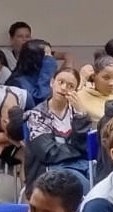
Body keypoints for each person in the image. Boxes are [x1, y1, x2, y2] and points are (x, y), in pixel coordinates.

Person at [17, 66, 92, 195]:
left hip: (79, 165)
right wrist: (76, 149)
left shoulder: (77, 113)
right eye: (60, 82)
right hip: (47, 171)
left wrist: (80, 116)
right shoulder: (37, 115)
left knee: (102, 177)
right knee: (82, 184)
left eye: (70, 86)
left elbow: (86, 148)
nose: (63, 88)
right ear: (52, 83)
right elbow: (49, 153)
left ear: (76, 90)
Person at [73, 56, 113, 122]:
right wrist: (82, 79)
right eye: (106, 78)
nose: (111, 83)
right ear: (94, 75)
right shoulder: (80, 96)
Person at [8, 40, 55, 108]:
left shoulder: (40, 74)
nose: (51, 58)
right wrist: (48, 68)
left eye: (51, 54)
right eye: (47, 55)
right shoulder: (17, 82)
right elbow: (42, 100)